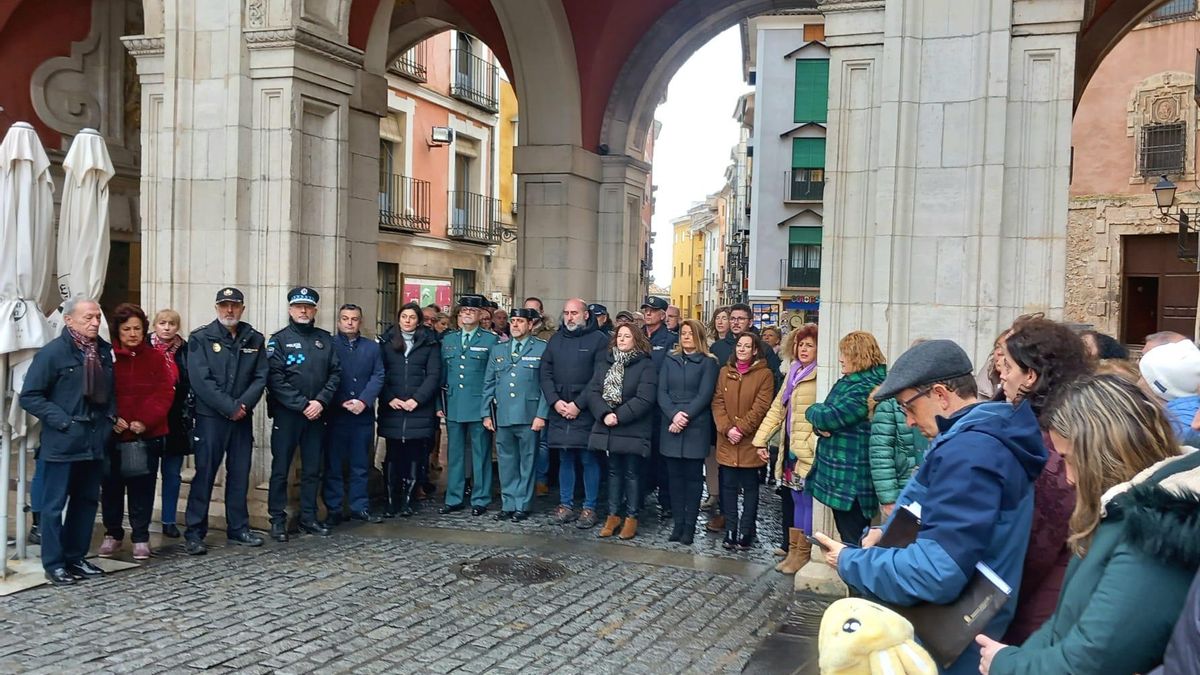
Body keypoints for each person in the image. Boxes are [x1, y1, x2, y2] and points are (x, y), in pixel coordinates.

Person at [813, 339, 1046, 675]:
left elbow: (938, 571)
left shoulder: (971, 451)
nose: (907, 420)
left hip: (950, 642)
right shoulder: (973, 438)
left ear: (939, 394)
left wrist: (852, 561)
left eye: (908, 407)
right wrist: (888, 535)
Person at [978, 374, 1199, 675]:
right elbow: (1064, 623)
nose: (1068, 478)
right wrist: (1018, 658)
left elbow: (1094, 658)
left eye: (1070, 459)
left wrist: (1008, 665)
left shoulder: (1157, 526)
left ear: (1103, 451)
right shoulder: (1122, 511)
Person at [996, 317, 1090, 644]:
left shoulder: (1051, 441)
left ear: (1030, 375)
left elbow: (1039, 542)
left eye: (1007, 366)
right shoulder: (1044, 427)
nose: (1000, 374)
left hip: (1041, 603)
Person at [20, 297, 113, 585]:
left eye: (97, 316)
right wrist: (63, 421)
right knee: (52, 506)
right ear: (69, 320)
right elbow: (30, 396)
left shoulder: (104, 352)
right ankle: (54, 563)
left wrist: (111, 418)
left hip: (95, 440)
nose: (95, 322)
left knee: (86, 502)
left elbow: (111, 392)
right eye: (88, 317)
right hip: (62, 442)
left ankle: (76, 557)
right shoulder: (53, 354)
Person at [184, 287, 268, 554]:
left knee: (240, 474)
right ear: (216, 307)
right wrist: (229, 406)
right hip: (211, 418)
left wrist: (243, 405)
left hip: (241, 418)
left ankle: (238, 527)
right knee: (205, 474)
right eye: (224, 306)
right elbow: (201, 380)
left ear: (242, 308)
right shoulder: (201, 338)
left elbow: (260, 376)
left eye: (234, 306)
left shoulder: (254, 338)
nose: (229, 311)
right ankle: (195, 532)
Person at [99, 303, 174, 561]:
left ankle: (141, 536)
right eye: (127, 329)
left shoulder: (154, 357)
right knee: (111, 487)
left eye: (137, 329)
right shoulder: (106, 357)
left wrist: (144, 420)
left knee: (143, 487)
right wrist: (113, 418)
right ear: (117, 331)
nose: (132, 334)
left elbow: (164, 392)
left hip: (146, 434)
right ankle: (113, 533)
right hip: (113, 434)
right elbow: (100, 393)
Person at [266, 287, 342, 541]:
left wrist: (320, 402)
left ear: (315, 311)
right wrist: (301, 404)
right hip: (289, 415)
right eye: (299, 307)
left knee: (312, 469)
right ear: (290, 309)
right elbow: (275, 378)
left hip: (317, 414)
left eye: (308, 307)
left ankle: (308, 517)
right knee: (280, 469)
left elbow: (335, 374)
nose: (303, 311)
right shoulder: (279, 340)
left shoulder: (325, 339)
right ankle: (277, 519)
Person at [805, 331, 887, 544]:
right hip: (841, 473)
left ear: (858, 356)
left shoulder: (866, 387)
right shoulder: (852, 382)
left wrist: (813, 411)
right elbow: (824, 421)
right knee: (849, 535)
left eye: (845, 354)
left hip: (852, 479)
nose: (840, 358)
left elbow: (830, 417)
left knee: (854, 540)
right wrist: (818, 424)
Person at [753, 323, 819, 574]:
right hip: (789, 446)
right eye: (801, 344)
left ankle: (804, 554)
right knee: (793, 497)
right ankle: (794, 552)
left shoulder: (818, 375)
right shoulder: (793, 373)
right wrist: (760, 439)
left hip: (807, 449)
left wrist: (811, 445)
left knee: (806, 500)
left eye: (810, 345)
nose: (804, 349)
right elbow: (777, 409)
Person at [540, 298, 608, 528]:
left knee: (588, 458)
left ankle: (589, 507)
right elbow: (545, 373)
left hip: (586, 409)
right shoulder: (556, 340)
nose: (569, 317)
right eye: (566, 313)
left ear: (586, 315)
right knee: (565, 457)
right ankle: (565, 504)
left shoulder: (599, 340)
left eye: (574, 313)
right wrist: (555, 402)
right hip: (560, 408)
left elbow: (599, 376)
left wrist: (578, 404)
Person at [589, 324, 659, 540]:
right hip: (608, 426)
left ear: (636, 339)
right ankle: (612, 515)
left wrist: (619, 416)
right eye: (619, 336)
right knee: (613, 472)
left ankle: (631, 516)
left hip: (632, 427)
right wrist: (604, 413)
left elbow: (645, 398)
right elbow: (593, 391)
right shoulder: (605, 363)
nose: (622, 339)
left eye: (627, 336)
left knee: (632, 473)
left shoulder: (645, 365)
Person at [482, 308, 548, 521]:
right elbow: (489, 383)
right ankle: (508, 502)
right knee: (506, 461)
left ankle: (523, 503)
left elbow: (546, 386)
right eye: (513, 321)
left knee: (527, 461)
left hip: (529, 414)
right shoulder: (499, 350)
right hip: (504, 414)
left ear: (531, 325)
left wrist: (541, 415)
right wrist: (486, 413)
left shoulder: (540, 348)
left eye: (520, 321)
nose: (515, 325)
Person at [322, 303, 385, 526]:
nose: (350, 322)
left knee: (360, 463)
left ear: (360, 321)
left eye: (354, 319)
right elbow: (325, 376)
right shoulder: (329, 345)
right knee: (334, 465)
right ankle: (334, 508)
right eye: (346, 318)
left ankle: (360, 506)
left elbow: (378, 376)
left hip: (362, 414)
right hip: (336, 414)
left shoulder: (372, 348)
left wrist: (364, 401)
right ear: (339, 321)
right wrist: (341, 401)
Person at [712, 332, 776, 550]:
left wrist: (741, 428)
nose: (742, 349)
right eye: (739, 345)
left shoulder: (764, 374)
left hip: (749, 442)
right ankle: (730, 529)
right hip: (727, 440)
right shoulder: (724, 372)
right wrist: (727, 428)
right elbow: (718, 402)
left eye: (747, 346)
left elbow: (761, 406)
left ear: (755, 350)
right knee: (728, 487)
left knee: (750, 488)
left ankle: (746, 530)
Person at [657, 319, 719, 545]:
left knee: (693, 480)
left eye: (690, 334)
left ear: (699, 337)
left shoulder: (708, 363)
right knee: (674, 478)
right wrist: (673, 415)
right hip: (671, 423)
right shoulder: (669, 360)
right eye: (683, 333)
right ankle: (678, 524)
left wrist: (684, 417)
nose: (685, 337)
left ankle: (690, 527)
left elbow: (704, 395)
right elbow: (661, 392)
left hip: (695, 426)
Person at [378, 302, 443, 516]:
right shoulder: (386, 342)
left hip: (418, 407)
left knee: (415, 454)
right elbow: (380, 372)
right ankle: (390, 499)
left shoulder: (429, 343)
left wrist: (417, 399)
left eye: (412, 317)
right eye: (404, 316)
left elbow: (433, 375)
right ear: (398, 319)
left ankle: (408, 499)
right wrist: (390, 398)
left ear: (418, 321)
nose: (407, 321)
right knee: (393, 454)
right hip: (393, 406)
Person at [439, 294, 500, 516]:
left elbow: (493, 376)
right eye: (463, 310)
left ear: (481, 314)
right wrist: (440, 403)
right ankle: (453, 497)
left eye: (471, 311)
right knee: (454, 453)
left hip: (478, 404)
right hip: (454, 403)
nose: (466, 314)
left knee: (480, 453)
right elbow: (442, 376)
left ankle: (480, 497)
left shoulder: (490, 340)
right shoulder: (449, 340)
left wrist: (490, 408)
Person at [149, 308, 190, 539]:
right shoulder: (145, 346)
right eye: (162, 323)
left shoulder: (185, 350)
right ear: (155, 325)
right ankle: (143, 519)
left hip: (176, 419)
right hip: (149, 419)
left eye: (172, 324)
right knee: (146, 472)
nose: (167, 327)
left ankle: (169, 519)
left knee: (173, 473)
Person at [641, 295, 678, 518]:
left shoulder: (670, 340)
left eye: (652, 311)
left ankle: (667, 501)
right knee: (641, 455)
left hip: (659, 407)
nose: (648, 313)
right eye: (646, 310)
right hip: (639, 406)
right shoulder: (637, 337)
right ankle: (641, 495)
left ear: (662, 315)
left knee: (662, 457)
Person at [868, 391, 926, 520]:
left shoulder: (939, 399)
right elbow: (881, 454)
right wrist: (889, 499)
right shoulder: (889, 404)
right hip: (903, 489)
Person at [1138, 338, 1200, 445]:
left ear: (1157, 387)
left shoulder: (1173, 430)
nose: (1137, 383)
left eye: (1141, 376)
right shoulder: (1190, 414)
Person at [710, 303, 781, 383]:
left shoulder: (764, 348)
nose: (736, 322)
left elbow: (775, 378)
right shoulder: (717, 347)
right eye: (732, 318)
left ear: (750, 322)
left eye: (741, 319)